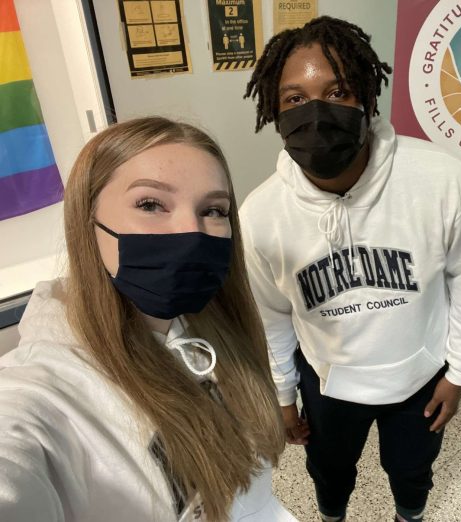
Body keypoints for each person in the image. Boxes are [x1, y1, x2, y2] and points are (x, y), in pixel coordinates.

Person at [241, 16, 461, 522]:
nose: (316, 112)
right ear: (274, 111)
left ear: (368, 100)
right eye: (294, 99)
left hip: (421, 376)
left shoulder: (444, 180)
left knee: (412, 472)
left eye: (337, 92)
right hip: (328, 382)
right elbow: (271, 316)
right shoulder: (260, 214)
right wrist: (283, 393)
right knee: (330, 473)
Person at [0, 117, 297, 522]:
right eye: (151, 204)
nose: (191, 232)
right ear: (89, 221)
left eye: (213, 210)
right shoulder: (42, 392)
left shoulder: (214, 327)